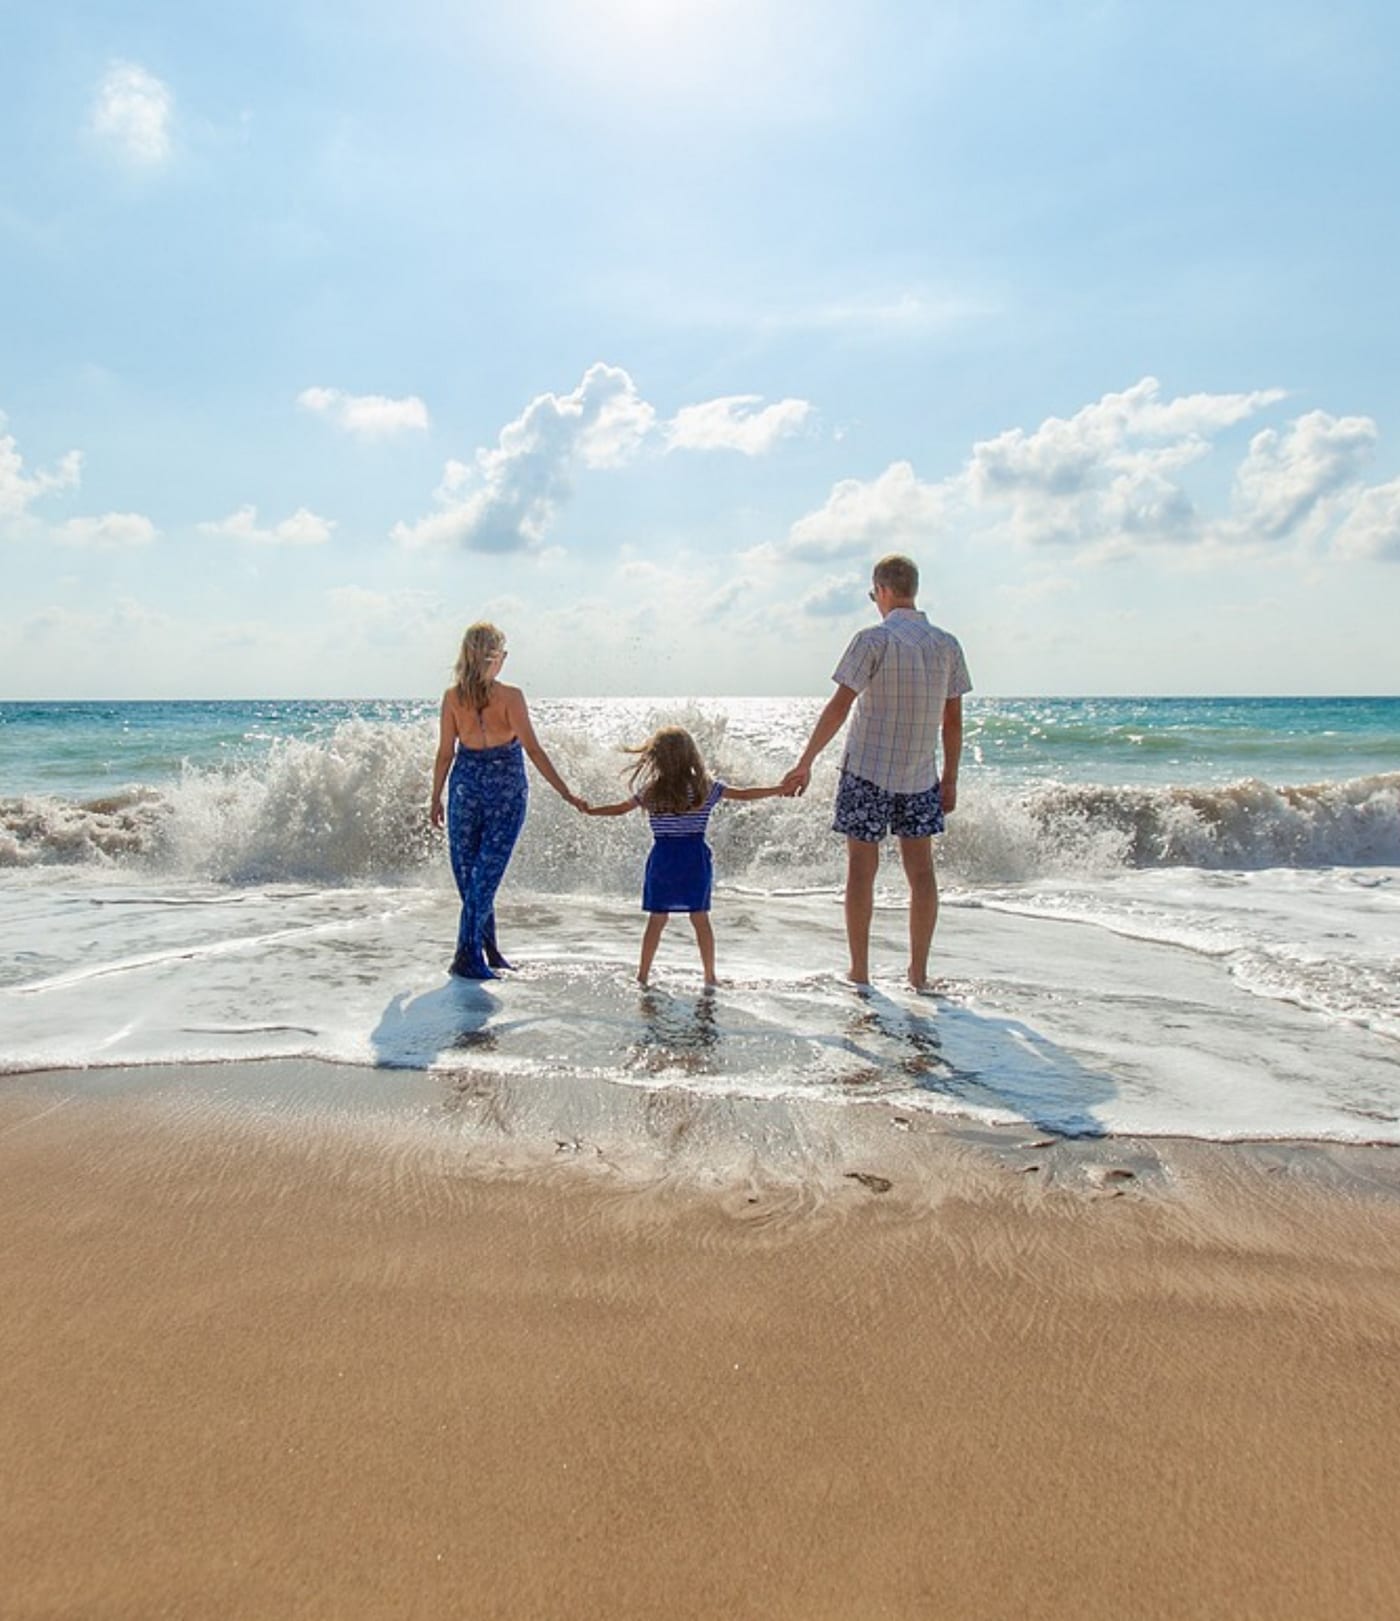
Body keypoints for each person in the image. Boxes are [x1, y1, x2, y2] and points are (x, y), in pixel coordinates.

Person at [783, 554, 971, 991]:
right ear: (913, 589)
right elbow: (954, 722)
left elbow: (839, 707)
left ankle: (860, 972)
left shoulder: (872, 640)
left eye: (873, 594)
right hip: (921, 775)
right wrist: (952, 778)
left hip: (866, 771)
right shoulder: (947, 644)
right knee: (921, 874)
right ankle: (918, 974)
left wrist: (806, 760)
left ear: (882, 590)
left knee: (861, 872)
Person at [430, 622, 583, 979]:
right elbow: (532, 748)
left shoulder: (454, 697)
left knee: (475, 876)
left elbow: (444, 754)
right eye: (503, 653)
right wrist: (565, 791)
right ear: (495, 657)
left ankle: (488, 951)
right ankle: (467, 956)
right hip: (504, 790)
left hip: (465, 787)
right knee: (482, 876)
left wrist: (435, 796)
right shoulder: (510, 697)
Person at [583, 725, 786, 988]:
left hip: (663, 859)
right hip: (694, 860)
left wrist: (590, 811)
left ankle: (643, 975)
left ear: (656, 758)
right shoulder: (705, 788)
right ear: (691, 755)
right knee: (700, 918)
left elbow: (620, 809)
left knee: (657, 919)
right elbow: (744, 794)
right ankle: (710, 976)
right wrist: (779, 789)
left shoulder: (651, 791)